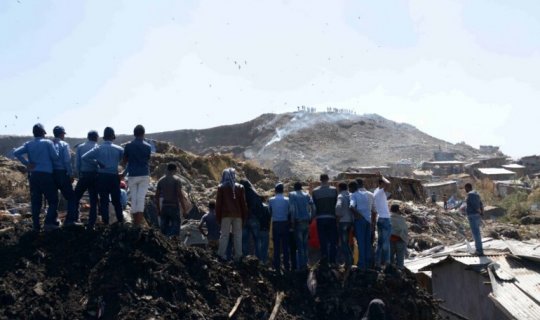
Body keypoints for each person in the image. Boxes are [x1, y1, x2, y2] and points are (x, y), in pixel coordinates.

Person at [13, 123, 59, 232]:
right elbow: (55, 157)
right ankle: (48, 223)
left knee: (36, 202)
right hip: (46, 175)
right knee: (53, 200)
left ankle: (36, 226)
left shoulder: (28, 144)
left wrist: (27, 163)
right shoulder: (48, 143)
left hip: (34, 175)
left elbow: (16, 152)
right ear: (43, 133)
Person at [82, 127, 124, 225]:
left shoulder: (98, 148)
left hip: (102, 177)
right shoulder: (119, 149)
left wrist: (97, 162)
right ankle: (120, 221)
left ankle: (105, 223)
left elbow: (84, 157)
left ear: (104, 137)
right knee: (116, 201)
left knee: (104, 201)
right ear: (113, 137)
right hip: (114, 177)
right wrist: (124, 173)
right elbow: (127, 160)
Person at [123, 125, 152, 225]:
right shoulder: (148, 146)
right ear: (143, 134)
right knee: (140, 199)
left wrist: (124, 172)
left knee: (134, 199)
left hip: (132, 175)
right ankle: (138, 224)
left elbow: (125, 161)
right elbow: (147, 160)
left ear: (134, 134)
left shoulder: (128, 146)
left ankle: (135, 222)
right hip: (144, 175)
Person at [216, 168, 247, 261]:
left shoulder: (221, 187)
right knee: (237, 236)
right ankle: (238, 256)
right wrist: (244, 217)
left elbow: (218, 204)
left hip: (225, 215)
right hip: (238, 215)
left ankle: (221, 255)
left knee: (224, 235)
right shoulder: (240, 187)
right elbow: (243, 204)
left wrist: (218, 218)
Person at [51, 126, 79, 226]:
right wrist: (71, 174)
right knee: (71, 198)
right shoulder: (64, 144)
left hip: (51, 174)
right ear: (62, 134)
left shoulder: (49, 144)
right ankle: (70, 221)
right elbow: (67, 161)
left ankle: (52, 221)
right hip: (62, 173)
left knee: (53, 199)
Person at [73, 130, 99, 229]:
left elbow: (77, 164)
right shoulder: (97, 147)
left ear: (88, 137)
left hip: (84, 175)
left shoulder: (80, 147)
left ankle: (74, 219)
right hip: (95, 175)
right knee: (94, 200)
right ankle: (91, 224)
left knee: (76, 197)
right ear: (96, 137)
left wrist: (79, 175)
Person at [155, 163, 189, 237]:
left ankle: (164, 246)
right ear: (175, 170)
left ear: (167, 169)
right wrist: (184, 210)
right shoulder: (177, 180)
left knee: (163, 231)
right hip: (174, 207)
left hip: (164, 207)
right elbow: (180, 195)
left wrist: (158, 210)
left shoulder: (161, 180)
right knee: (175, 231)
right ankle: (174, 246)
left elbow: (156, 196)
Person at [311, 173, 338, 264]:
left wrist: (312, 218)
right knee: (332, 240)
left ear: (320, 180)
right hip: (332, 218)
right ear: (328, 179)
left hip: (320, 218)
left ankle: (324, 260)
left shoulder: (315, 191)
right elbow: (336, 205)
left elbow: (314, 207)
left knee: (323, 240)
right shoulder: (334, 190)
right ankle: (333, 261)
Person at [350, 179, 376, 270]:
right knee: (367, 243)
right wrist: (373, 224)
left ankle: (362, 264)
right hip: (369, 221)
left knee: (360, 243)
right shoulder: (370, 194)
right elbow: (374, 211)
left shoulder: (354, 195)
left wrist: (358, 216)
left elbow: (351, 206)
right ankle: (368, 264)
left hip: (360, 221)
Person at [288, 181, 312, 271]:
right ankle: (306, 264)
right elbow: (312, 207)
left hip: (298, 222)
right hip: (306, 221)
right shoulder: (306, 195)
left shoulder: (292, 194)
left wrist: (292, 221)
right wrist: (311, 218)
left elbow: (292, 209)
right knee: (305, 244)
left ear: (294, 188)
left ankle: (301, 266)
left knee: (300, 245)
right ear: (301, 187)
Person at [269, 182, 290, 271]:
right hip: (285, 223)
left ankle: (277, 266)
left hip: (276, 224)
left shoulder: (271, 200)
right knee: (285, 246)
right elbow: (289, 212)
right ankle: (287, 266)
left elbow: (270, 212)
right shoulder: (287, 200)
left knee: (276, 246)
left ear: (275, 190)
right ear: (283, 190)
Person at [239, 179, 262, 259]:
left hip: (244, 220)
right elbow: (260, 207)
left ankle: (245, 258)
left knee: (244, 240)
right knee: (257, 240)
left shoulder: (241, 194)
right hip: (254, 219)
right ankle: (258, 258)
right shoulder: (255, 194)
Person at [374, 177, 392, 268]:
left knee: (380, 243)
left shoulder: (376, 192)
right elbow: (389, 183)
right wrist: (382, 177)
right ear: (381, 184)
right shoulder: (380, 191)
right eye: (383, 184)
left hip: (379, 218)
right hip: (385, 219)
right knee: (386, 243)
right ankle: (387, 263)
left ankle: (377, 263)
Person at [335, 181, 353, 268]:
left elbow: (338, 207)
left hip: (343, 222)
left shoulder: (340, 196)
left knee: (344, 243)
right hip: (350, 221)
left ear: (339, 188)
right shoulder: (350, 195)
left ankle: (348, 263)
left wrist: (338, 217)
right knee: (347, 242)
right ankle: (351, 260)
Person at [464, 183, 484, 255]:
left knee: (476, 234)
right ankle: (479, 249)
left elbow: (476, 205)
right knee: (477, 233)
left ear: (467, 187)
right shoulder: (476, 193)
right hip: (476, 215)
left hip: (473, 216)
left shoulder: (471, 194)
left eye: (465, 188)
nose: (465, 190)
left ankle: (479, 251)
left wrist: (479, 211)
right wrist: (481, 213)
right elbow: (480, 204)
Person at [389, 204, 408, 269]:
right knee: (400, 259)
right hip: (400, 240)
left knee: (390, 258)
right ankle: (400, 271)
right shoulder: (401, 219)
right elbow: (404, 229)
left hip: (391, 240)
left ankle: (391, 271)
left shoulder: (388, 218)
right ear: (398, 210)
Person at [259, 195, 271, 264]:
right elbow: (269, 217)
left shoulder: (257, 207)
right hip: (265, 228)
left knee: (258, 245)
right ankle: (264, 260)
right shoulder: (266, 207)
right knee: (265, 246)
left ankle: (259, 259)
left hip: (258, 228)